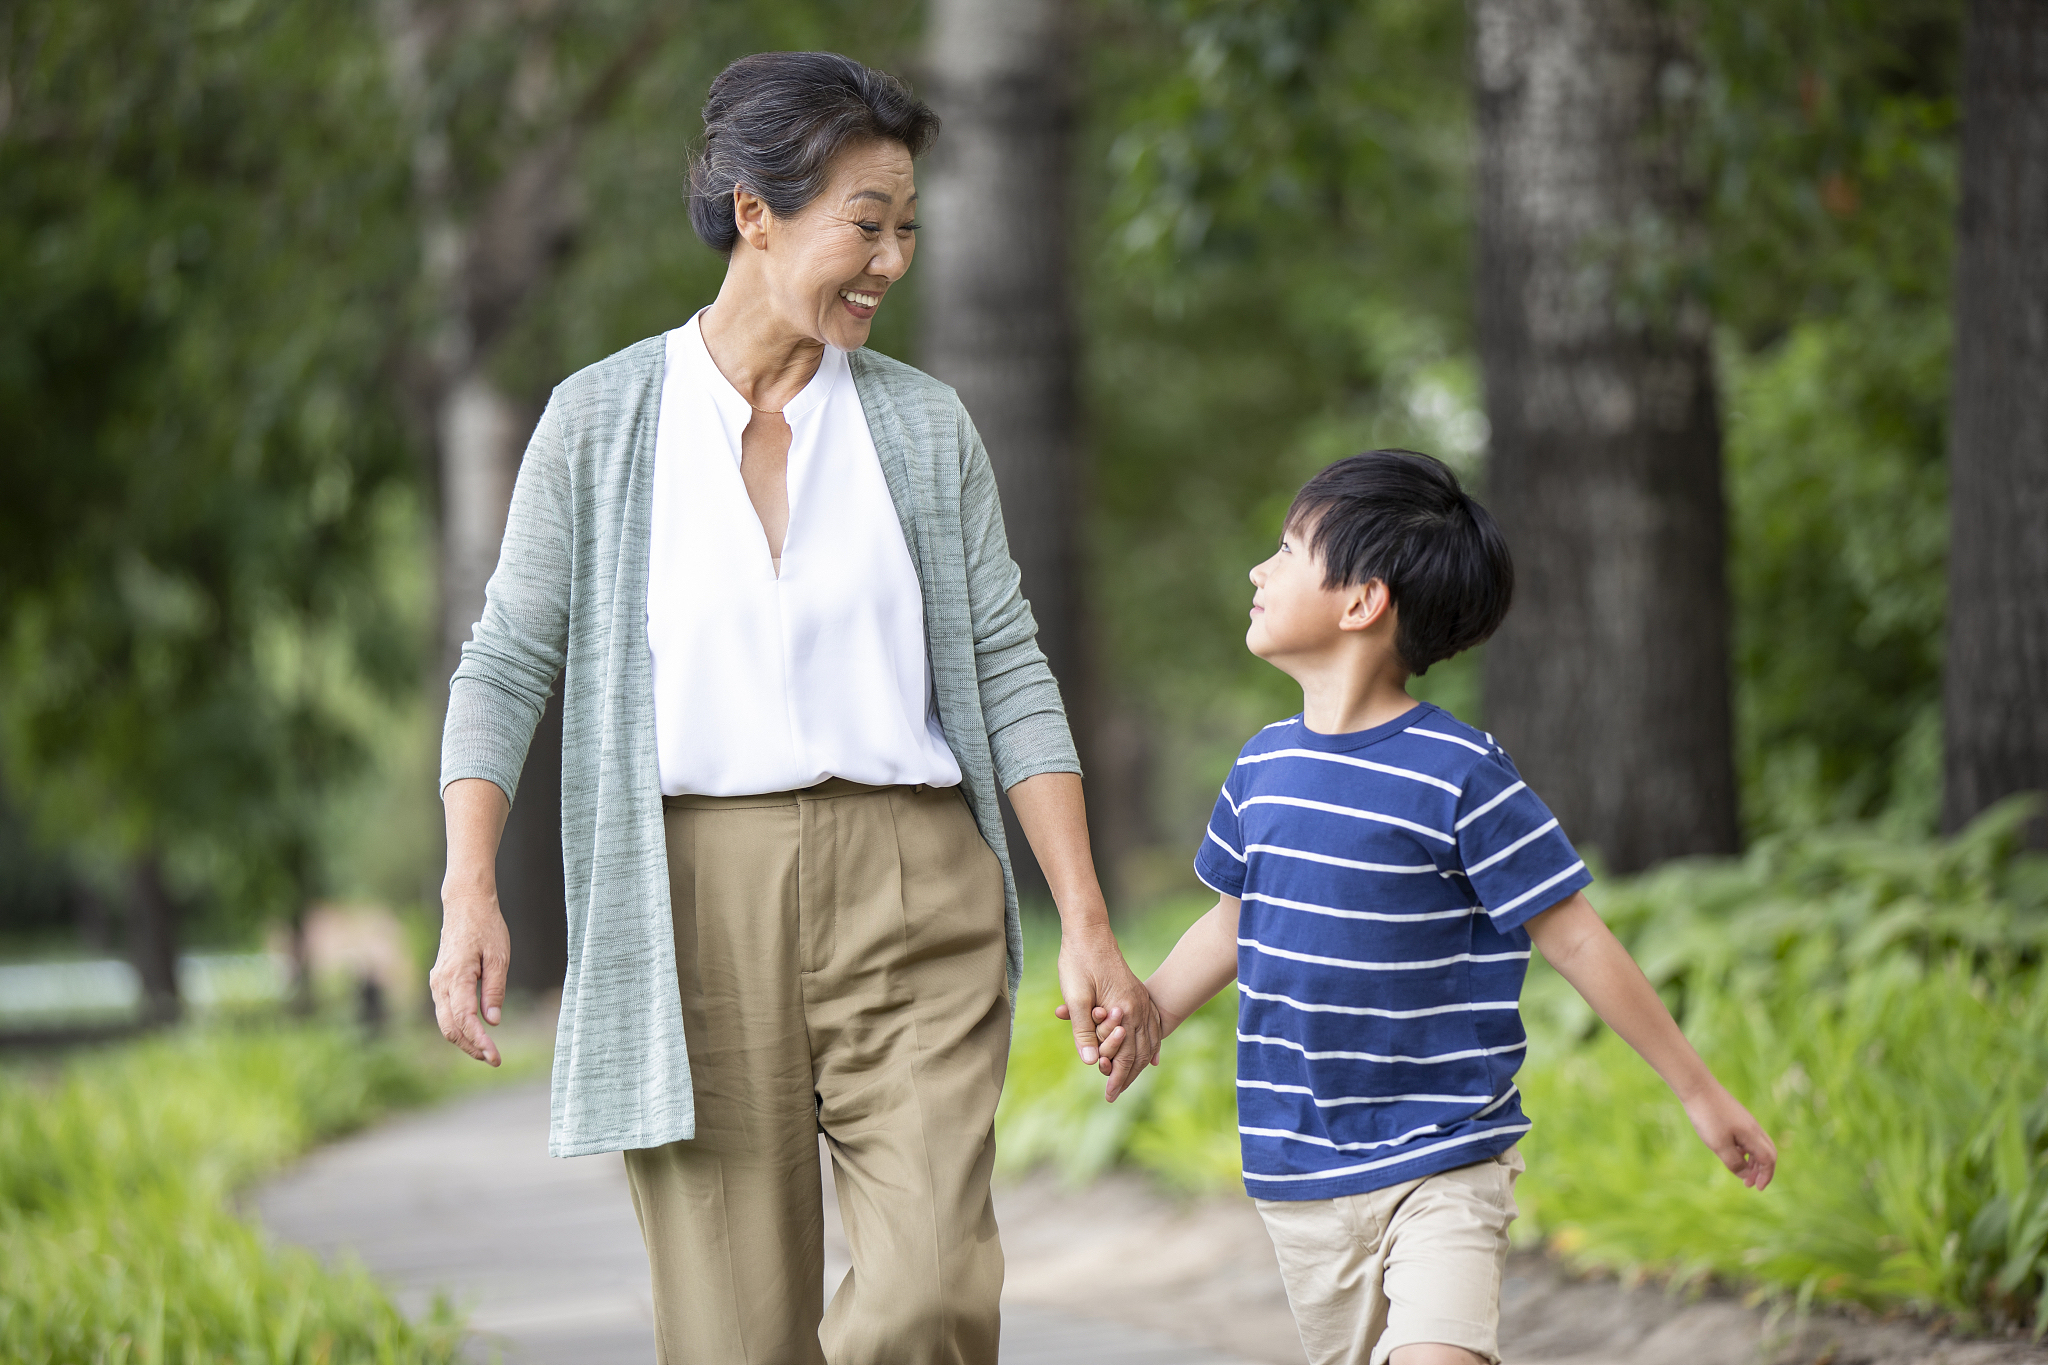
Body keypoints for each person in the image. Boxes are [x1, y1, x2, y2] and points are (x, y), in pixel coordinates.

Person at [429, 51, 1158, 1365]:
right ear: (754, 213)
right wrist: (468, 887)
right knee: (736, 1340)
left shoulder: (925, 428)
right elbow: (505, 662)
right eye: (864, 226)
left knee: (930, 1292)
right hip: (691, 903)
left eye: (907, 230)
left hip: (911, 884)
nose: (890, 259)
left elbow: (1008, 669)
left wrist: (1088, 923)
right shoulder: (598, 423)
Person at [1127, 450, 1776, 1365]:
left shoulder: (1460, 772)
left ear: (1362, 602)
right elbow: (1236, 919)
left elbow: (1578, 939)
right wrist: (1152, 1007)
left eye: (1285, 550)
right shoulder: (1261, 768)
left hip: (1445, 1152)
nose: (1257, 570)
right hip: (1301, 1166)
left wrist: (1700, 1092)